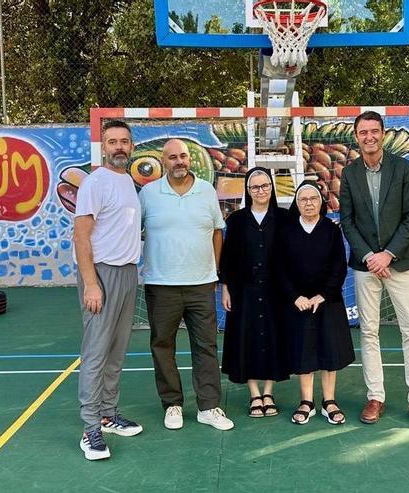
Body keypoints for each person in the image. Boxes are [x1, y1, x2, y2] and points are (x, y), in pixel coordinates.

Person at [338, 111, 409, 430]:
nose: (369, 136)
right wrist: (370, 256)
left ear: (382, 134)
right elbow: (347, 220)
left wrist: (388, 254)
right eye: (363, 132)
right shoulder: (349, 173)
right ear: (356, 136)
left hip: (401, 262)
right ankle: (375, 396)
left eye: (374, 131)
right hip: (366, 265)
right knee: (369, 331)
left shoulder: (403, 168)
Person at [139, 138, 234, 431]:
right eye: (172, 157)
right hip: (160, 284)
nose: (178, 161)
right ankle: (173, 405)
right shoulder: (148, 193)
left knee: (205, 346)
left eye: (183, 156)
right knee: (163, 345)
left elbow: (217, 231)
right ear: (163, 161)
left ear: (189, 159)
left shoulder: (207, 191)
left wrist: (215, 269)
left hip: (202, 285)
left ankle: (209, 406)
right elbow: (133, 230)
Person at [73, 120, 144, 461]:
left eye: (124, 141)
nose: (119, 146)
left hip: (128, 274)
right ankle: (90, 430)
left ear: (132, 147)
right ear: (104, 147)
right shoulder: (95, 182)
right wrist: (90, 283)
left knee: (116, 352)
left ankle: (108, 413)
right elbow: (81, 236)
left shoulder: (128, 181)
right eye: (112, 141)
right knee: (96, 353)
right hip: (101, 276)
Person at [278, 181, 355, 425]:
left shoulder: (331, 230)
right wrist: (295, 297)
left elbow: (338, 267)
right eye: (303, 199)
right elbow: (279, 269)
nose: (309, 203)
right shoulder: (287, 231)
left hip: (327, 302)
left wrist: (323, 295)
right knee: (304, 351)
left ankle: (329, 401)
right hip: (299, 304)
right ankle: (306, 402)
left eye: (313, 199)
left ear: (321, 203)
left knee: (329, 350)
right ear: (297, 203)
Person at [220, 168, 291, 417]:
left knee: (274, 338)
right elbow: (227, 257)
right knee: (246, 339)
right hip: (244, 290)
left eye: (265, 186)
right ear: (248, 191)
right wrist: (225, 288)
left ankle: (269, 391)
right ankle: (254, 394)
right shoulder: (236, 220)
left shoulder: (284, 218)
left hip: (276, 291)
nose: (260, 191)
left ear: (271, 188)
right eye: (255, 187)